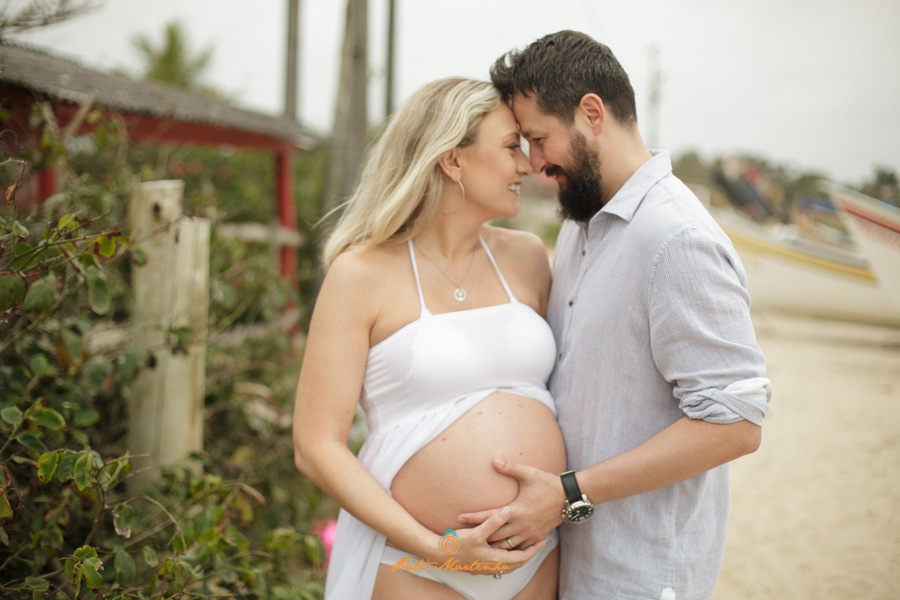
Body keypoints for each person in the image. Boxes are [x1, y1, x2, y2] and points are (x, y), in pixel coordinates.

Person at [458, 31, 773, 600]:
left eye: (538, 139)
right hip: (568, 566)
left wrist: (569, 493)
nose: (532, 163)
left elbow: (736, 422)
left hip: (638, 578)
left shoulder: (675, 237)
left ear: (592, 113)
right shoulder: (582, 226)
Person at [292, 77, 566, 600]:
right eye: (511, 148)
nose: (526, 166)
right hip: (417, 567)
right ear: (452, 160)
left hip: (539, 559)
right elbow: (316, 446)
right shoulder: (359, 274)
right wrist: (434, 548)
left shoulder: (528, 257)